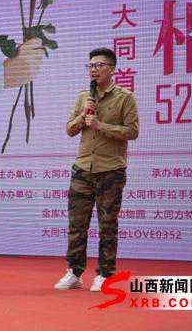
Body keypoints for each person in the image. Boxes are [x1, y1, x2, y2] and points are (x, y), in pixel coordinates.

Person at [55, 47, 139, 291]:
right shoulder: (84, 97)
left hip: (111, 169)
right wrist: (83, 116)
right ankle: (74, 272)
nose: (94, 70)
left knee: (107, 224)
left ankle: (105, 274)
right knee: (76, 224)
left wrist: (100, 126)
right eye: (90, 66)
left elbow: (132, 131)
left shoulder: (125, 97)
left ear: (112, 69)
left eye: (99, 65)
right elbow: (70, 129)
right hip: (83, 167)